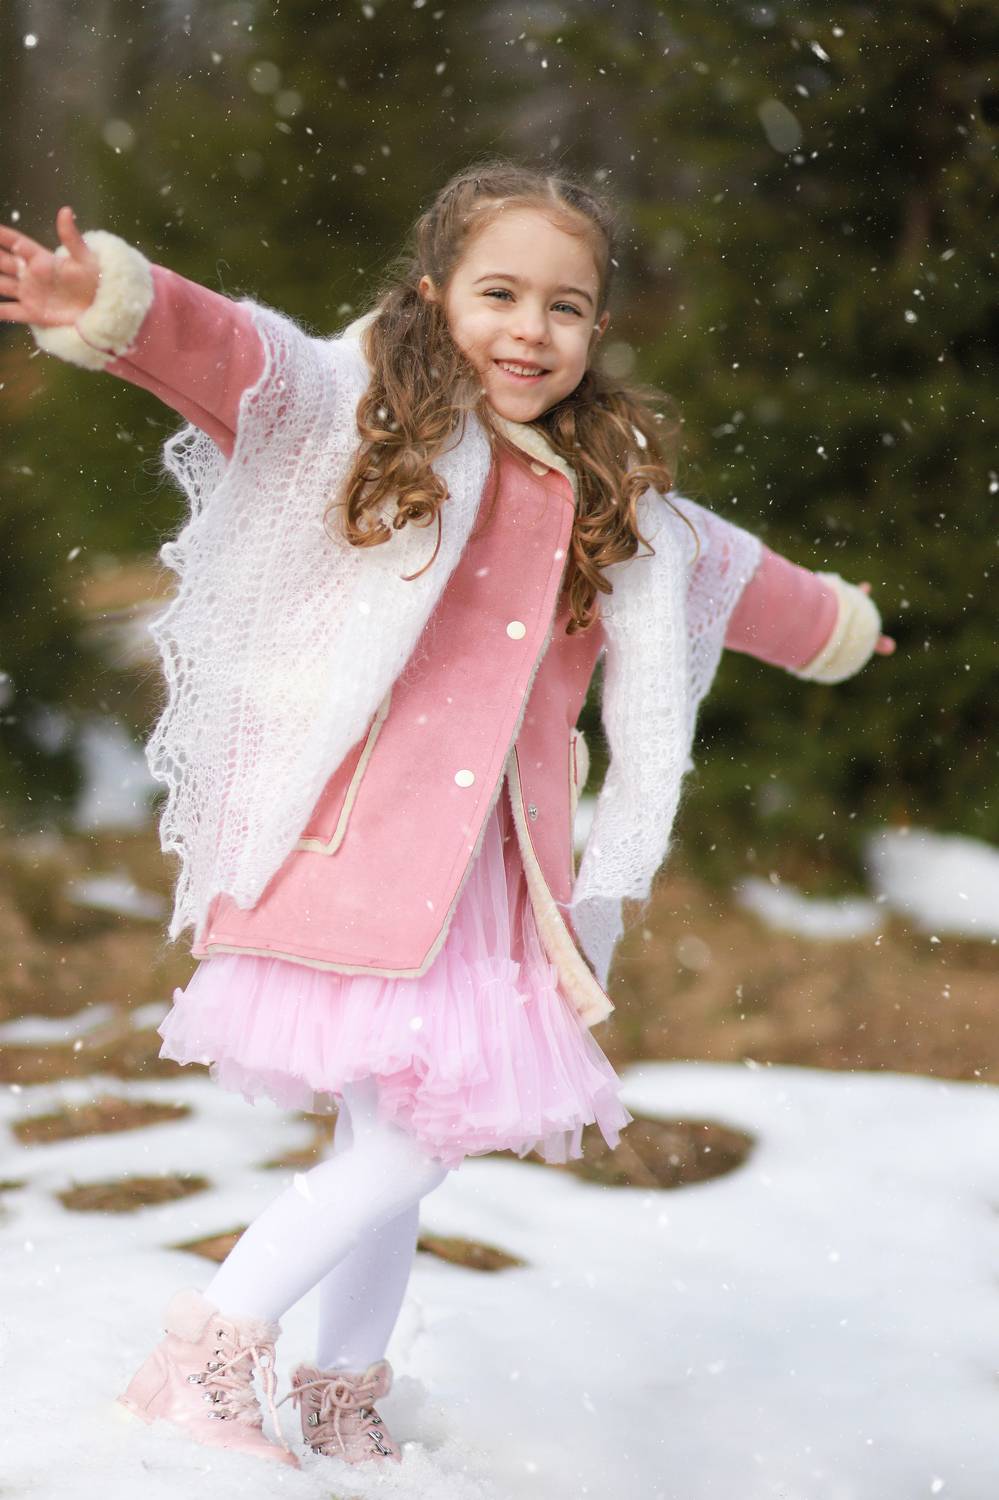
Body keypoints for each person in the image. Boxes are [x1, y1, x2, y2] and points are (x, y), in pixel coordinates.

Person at [0, 160, 894, 1471]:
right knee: (418, 1139)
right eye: (501, 295)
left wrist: (835, 628)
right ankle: (203, 1354)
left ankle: (341, 1389)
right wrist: (118, 305)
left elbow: (731, 576)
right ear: (433, 295)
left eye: (566, 307)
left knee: (391, 1140)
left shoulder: (614, 491)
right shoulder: (366, 416)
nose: (532, 330)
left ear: (598, 328)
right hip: (363, 849)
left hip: (493, 876)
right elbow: (243, 360)